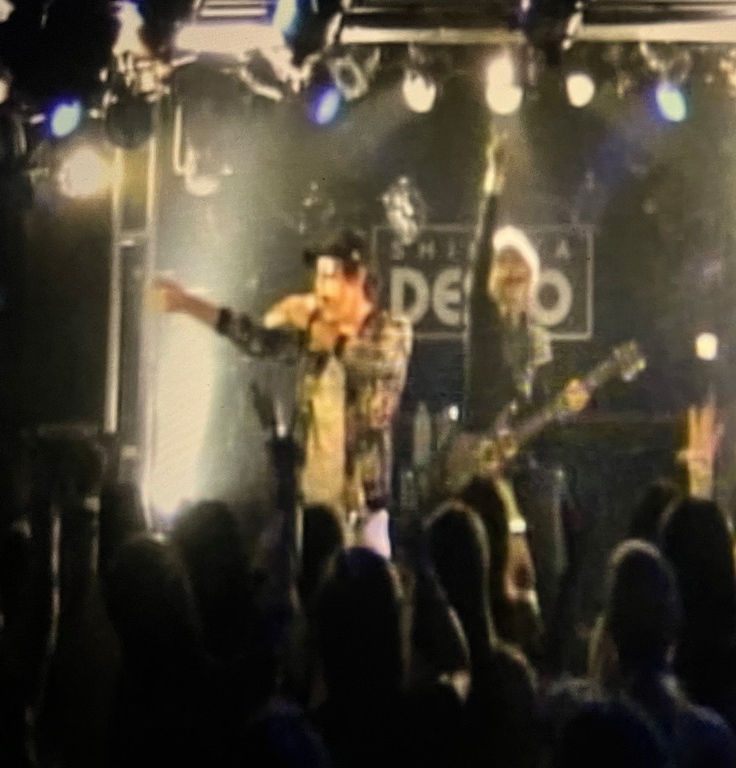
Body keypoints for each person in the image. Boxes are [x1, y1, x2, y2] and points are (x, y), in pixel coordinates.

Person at [152, 230, 412, 558]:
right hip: (312, 503)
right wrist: (188, 304)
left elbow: (374, 363)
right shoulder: (313, 337)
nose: (320, 288)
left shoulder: (390, 329)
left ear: (358, 278)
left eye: (330, 277)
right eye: (318, 277)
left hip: (362, 506)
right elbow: (257, 339)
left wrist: (320, 330)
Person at [461, 134, 589, 662]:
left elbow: (542, 414)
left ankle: (549, 658)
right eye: (505, 265)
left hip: (524, 463)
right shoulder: (483, 323)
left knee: (559, 549)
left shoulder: (538, 337)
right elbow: (477, 260)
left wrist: (567, 406)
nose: (513, 274)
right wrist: (492, 187)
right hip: (480, 459)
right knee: (489, 568)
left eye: (522, 268)